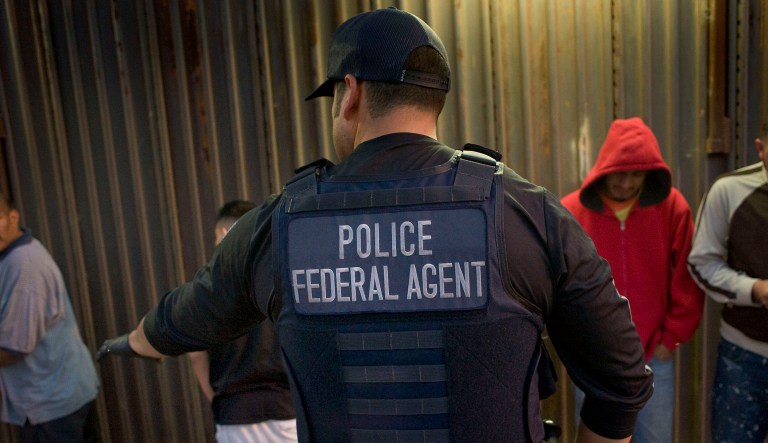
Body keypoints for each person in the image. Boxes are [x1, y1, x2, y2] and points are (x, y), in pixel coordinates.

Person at [96, 7, 653, 442]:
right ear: (435, 100)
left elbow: (179, 322)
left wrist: (124, 343)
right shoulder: (525, 212)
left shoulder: (278, 225)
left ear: (351, 93)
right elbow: (623, 381)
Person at [560, 117, 705, 442]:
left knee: (655, 439)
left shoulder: (672, 208)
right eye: (620, 173)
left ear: (650, 173)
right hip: (594, 361)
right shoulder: (570, 212)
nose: (626, 183)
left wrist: (671, 338)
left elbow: (688, 274)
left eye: (636, 174)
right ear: (605, 168)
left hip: (653, 356)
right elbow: (557, 286)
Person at [187, 200, 297, 442]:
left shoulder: (207, 286)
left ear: (224, 234)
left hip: (234, 414)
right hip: (287, 410)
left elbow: (195, 354)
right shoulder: (284, 278)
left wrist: (217, 398)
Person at [0, 192, 100, 442]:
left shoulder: (24, 266)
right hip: (63, 393)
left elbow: (15, 347)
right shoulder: (13, 255)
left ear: (13, 217)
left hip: (52, 404)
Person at [687, 134, 768, 443]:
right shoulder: (730, 190)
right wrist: (755, 289)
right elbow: (701, 263)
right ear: (760, 147)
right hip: (744, 354)